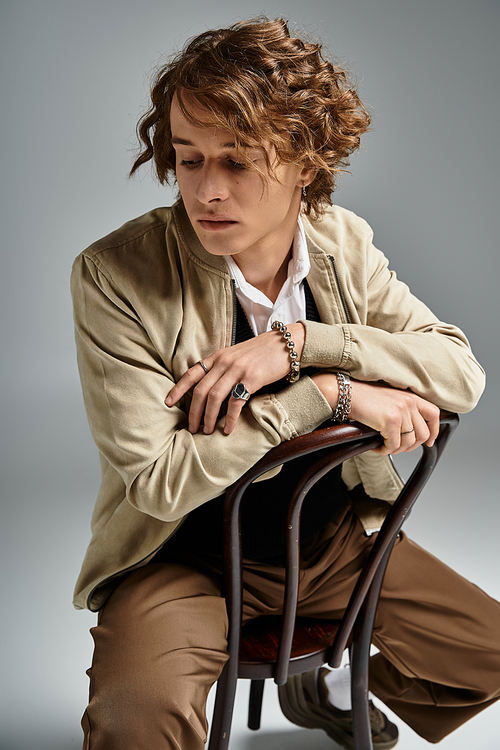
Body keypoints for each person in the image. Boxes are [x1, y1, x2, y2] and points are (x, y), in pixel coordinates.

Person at [71, 17, 500, 750]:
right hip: (185, 558)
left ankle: (336, 681)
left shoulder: (343, 241)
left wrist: (301, 346)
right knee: (133, 718)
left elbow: (460, 372)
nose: (205, 190)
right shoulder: (116, 275)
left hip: (332, 546)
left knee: (489, 654)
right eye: (189, 157)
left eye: (237, 162)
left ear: (305, 162)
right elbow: (156, 481)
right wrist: (325, 395)